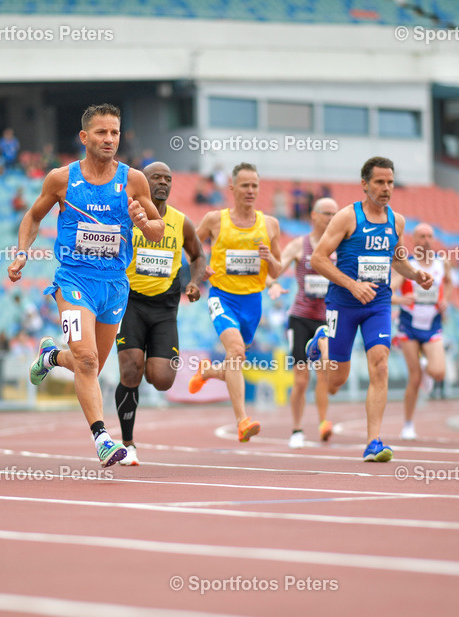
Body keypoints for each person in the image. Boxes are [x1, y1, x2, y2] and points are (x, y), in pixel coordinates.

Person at [7, 103, 165, 467]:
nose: (109, 139)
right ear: (84, 137)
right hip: (74, 280)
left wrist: (144, 223)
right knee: (88, 359)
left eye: (114, 133)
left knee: (87, 365)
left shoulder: (134, 180)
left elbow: (158, 230)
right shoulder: (61, 179)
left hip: (114, 286)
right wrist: (22, 253)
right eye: (101, 132)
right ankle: (102, 438)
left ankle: (50, 357)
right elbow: (33, 216)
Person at [309, 156, 433, 462]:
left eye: (390, 182)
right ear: (364, 185)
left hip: (378, 304)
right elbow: (318, 259)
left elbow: (398, 259)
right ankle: (321, 340)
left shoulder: (397, 221)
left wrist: (416, 274)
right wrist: (352, 285)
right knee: (336, 381)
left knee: (380, 365)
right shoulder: (346, 217)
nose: (386, 188)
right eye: (379, 182)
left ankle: (373, 442)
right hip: (343, 303)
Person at [114, 161, 207, 465]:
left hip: (165, 307)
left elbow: (198, 256)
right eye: (156, 177)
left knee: (163, 379)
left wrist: (194, 282)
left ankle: (147, 361)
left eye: (168, 178)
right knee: (131, 369)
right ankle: (128, 443)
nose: (163, 182)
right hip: (130, 301)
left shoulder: (181, 222)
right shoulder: (127, 215)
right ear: (143, 181)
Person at [188, 163, 283, 442]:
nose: (250, 190)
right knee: (236, 350)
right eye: (245, 185)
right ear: (232, 188)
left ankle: (208, 371)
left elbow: (277, 270)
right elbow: (189, 247)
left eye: (254, 185)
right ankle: (243, 421)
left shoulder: (270, 225)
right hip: (222, 298)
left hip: (253, 302)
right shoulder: (214, 220)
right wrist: (200, 268)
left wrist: (269, 258)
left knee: (236, 360)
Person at [267, 197, 338, 448]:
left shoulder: (341, 247)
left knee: (325, 371)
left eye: (335, 214)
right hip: (300, 318)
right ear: (314, 216)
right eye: (327, 213)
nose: (331, 218)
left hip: (327, 319)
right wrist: (273, 284)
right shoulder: (300, 245)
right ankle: (297, 429)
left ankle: (323, 422)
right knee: (300, 378)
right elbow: (273, 271)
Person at [391, 222, 451, 440]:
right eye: (422, 236)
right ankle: (408, 425)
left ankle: (427, 365)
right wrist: (401, 299)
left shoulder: (442, 263)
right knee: (414, 378)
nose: (426, 240)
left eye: (429, 236)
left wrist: (445, 300)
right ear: (414, 240)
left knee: (439, 373)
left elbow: (448, 283)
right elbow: (387, 292)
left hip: (432, 324)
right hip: (408, 325)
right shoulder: (407, 265)